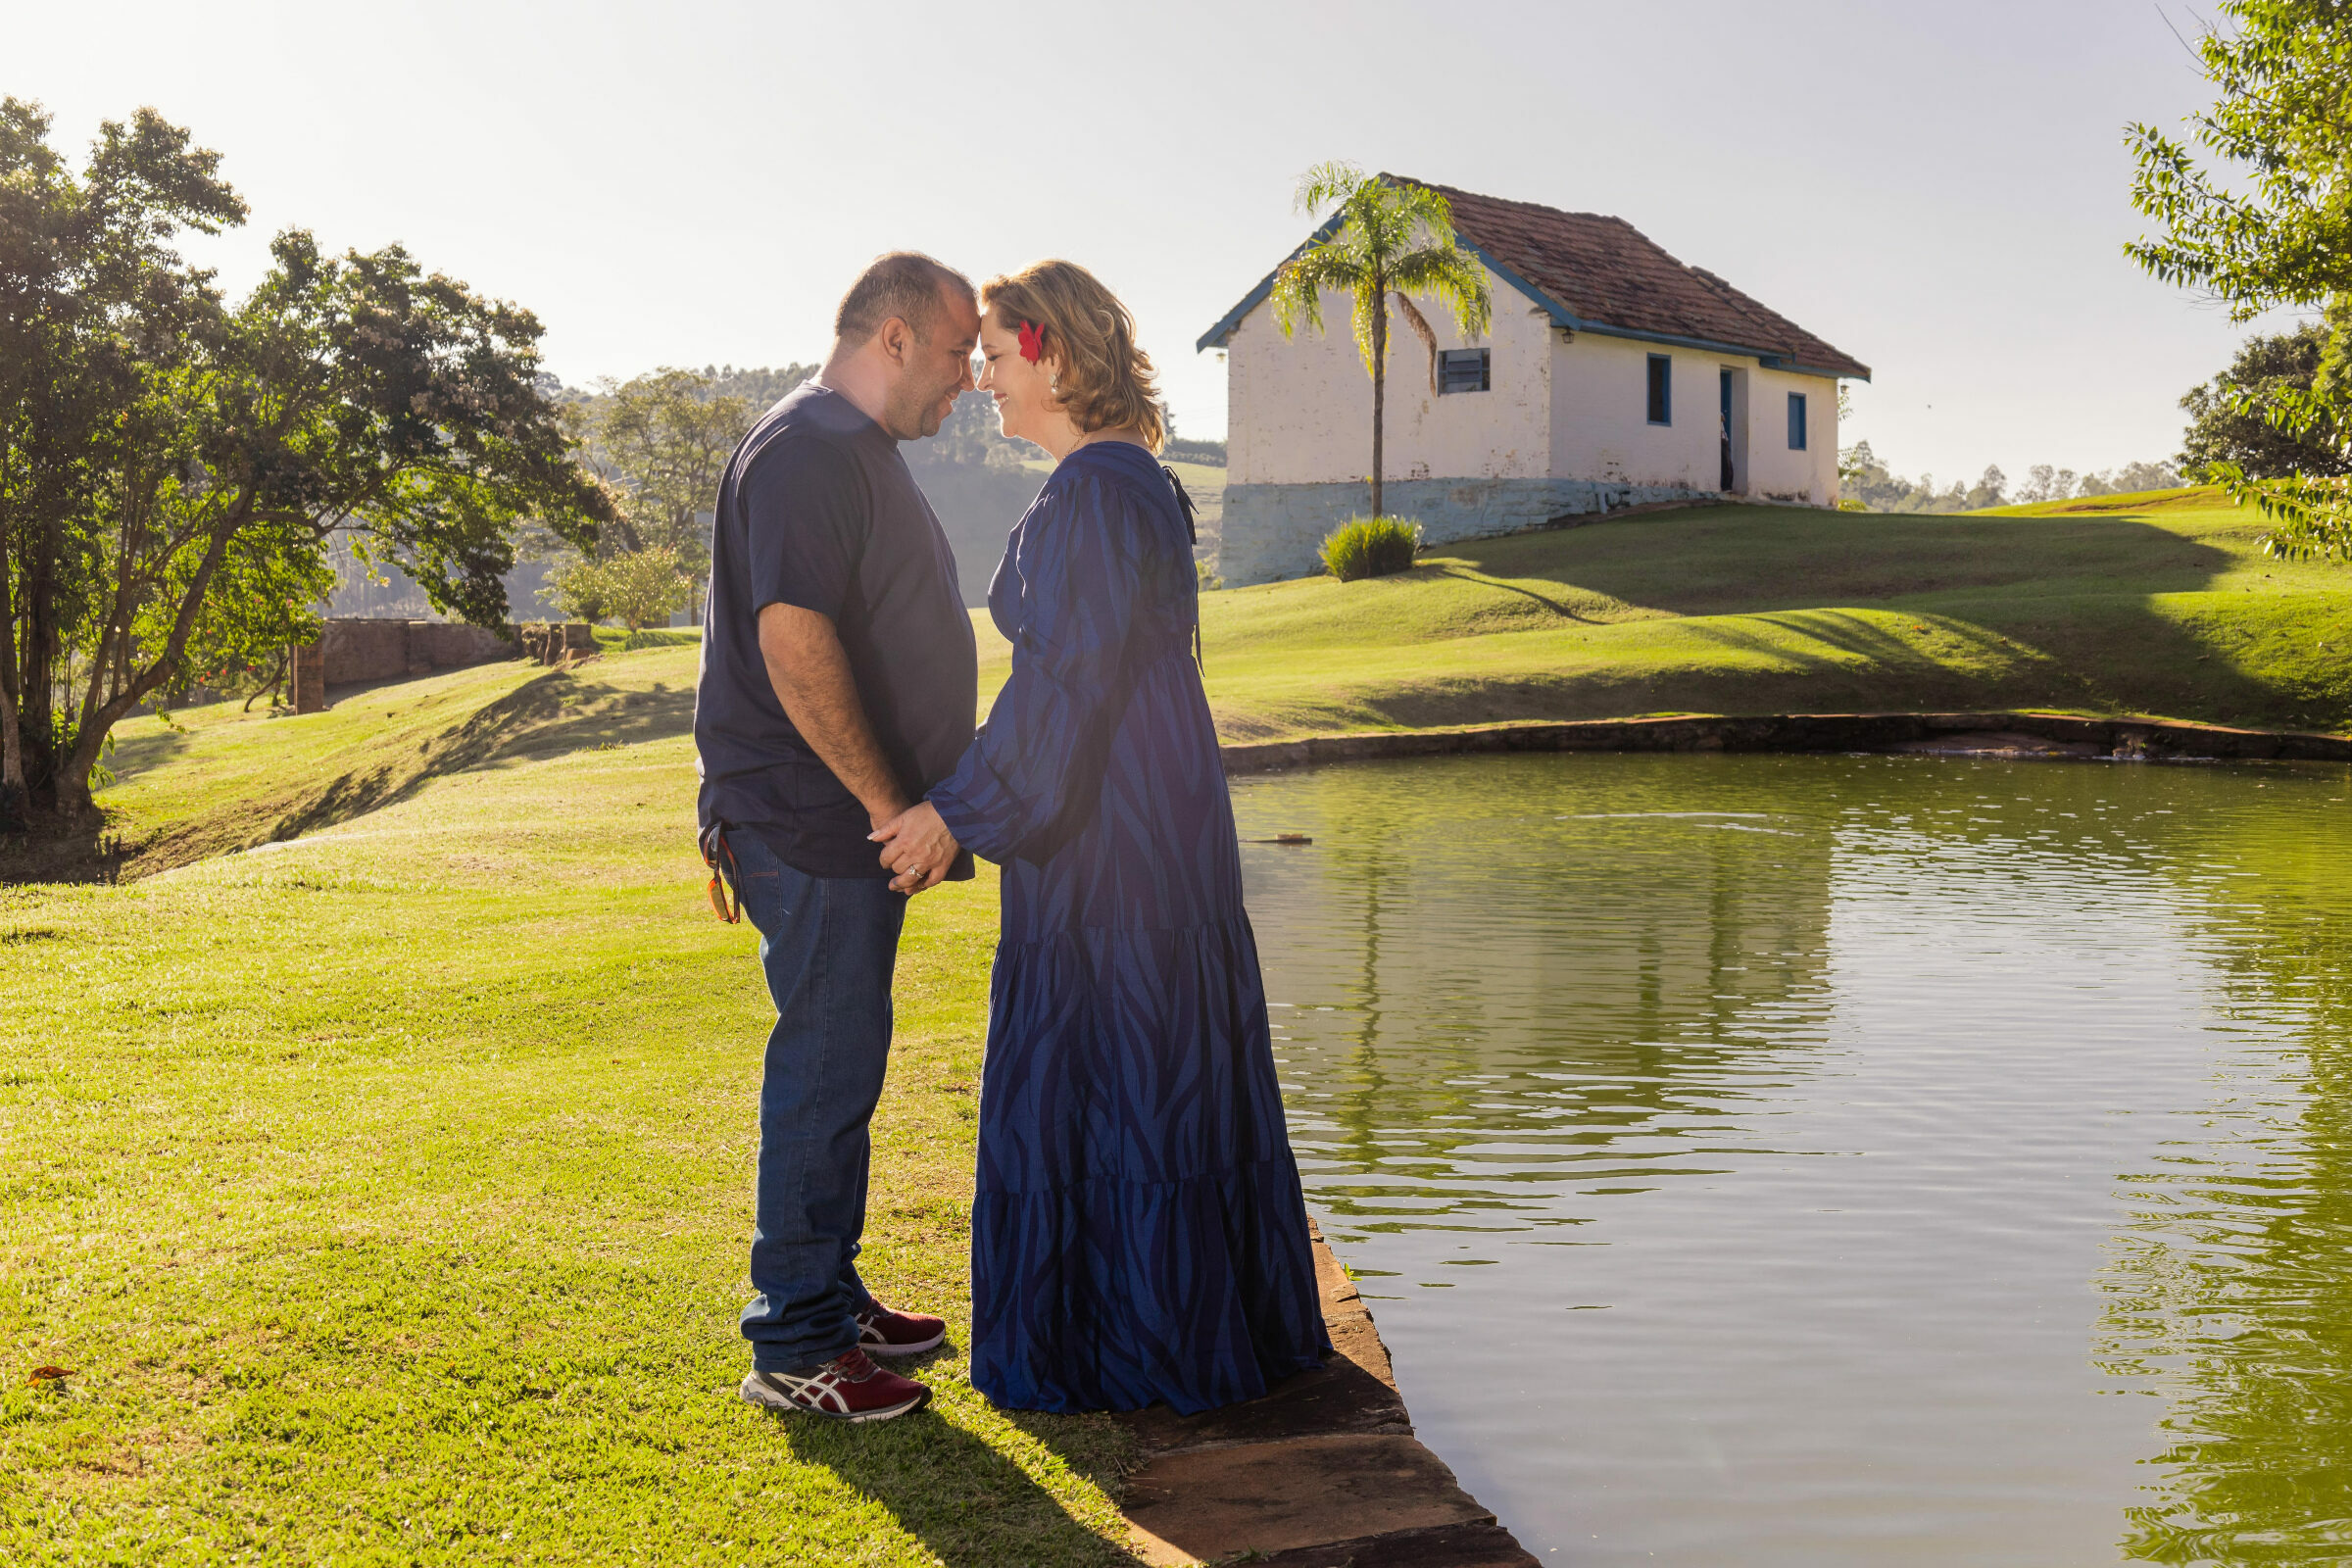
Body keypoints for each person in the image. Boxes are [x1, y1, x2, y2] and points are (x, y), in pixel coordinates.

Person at [872, 260, 1331, 1414]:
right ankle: (1184, 1330)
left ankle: (1128, 1348)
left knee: (1128, 1066)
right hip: (1152, 809)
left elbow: (1065, 684)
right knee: (1155, 1066)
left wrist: (954, 813)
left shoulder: (1094, 495)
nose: (979, 378)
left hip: (1115, 832)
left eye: (992, 353)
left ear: (1053, 355)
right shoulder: (1136, 485)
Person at [694, 252, 981, 1423]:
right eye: (960, 349)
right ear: (897, 337)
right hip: (819, 824)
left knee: (845, 1058)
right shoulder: (812, 449)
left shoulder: (840, 446)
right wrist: (884, 804)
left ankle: (832, 1293)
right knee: (823, 1065)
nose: (969, 375)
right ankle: (797, 1340)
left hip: (817, 822)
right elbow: (790, 639)